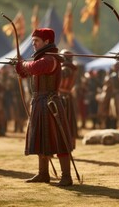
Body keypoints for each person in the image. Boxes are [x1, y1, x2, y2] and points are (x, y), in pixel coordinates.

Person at [15, 28, 73, 186]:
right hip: (39, 103)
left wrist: (23, 63)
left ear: (47, 42)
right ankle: (43, 174)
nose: (33, 44)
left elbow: (34, 67)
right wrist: (19, 66)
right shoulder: (41, 58)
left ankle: (66, 176)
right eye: (33, 41)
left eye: (36, 41)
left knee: (59, 139)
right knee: (41, 138)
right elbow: (26, 72)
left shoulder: (50, 59)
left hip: (50, 104)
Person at [59, 49, 78, 146]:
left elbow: (62, 73)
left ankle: (64, 145)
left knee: (62, 121)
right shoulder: (72, 67)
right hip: (66, 96)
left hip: (62, 97)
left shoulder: (67, 68)